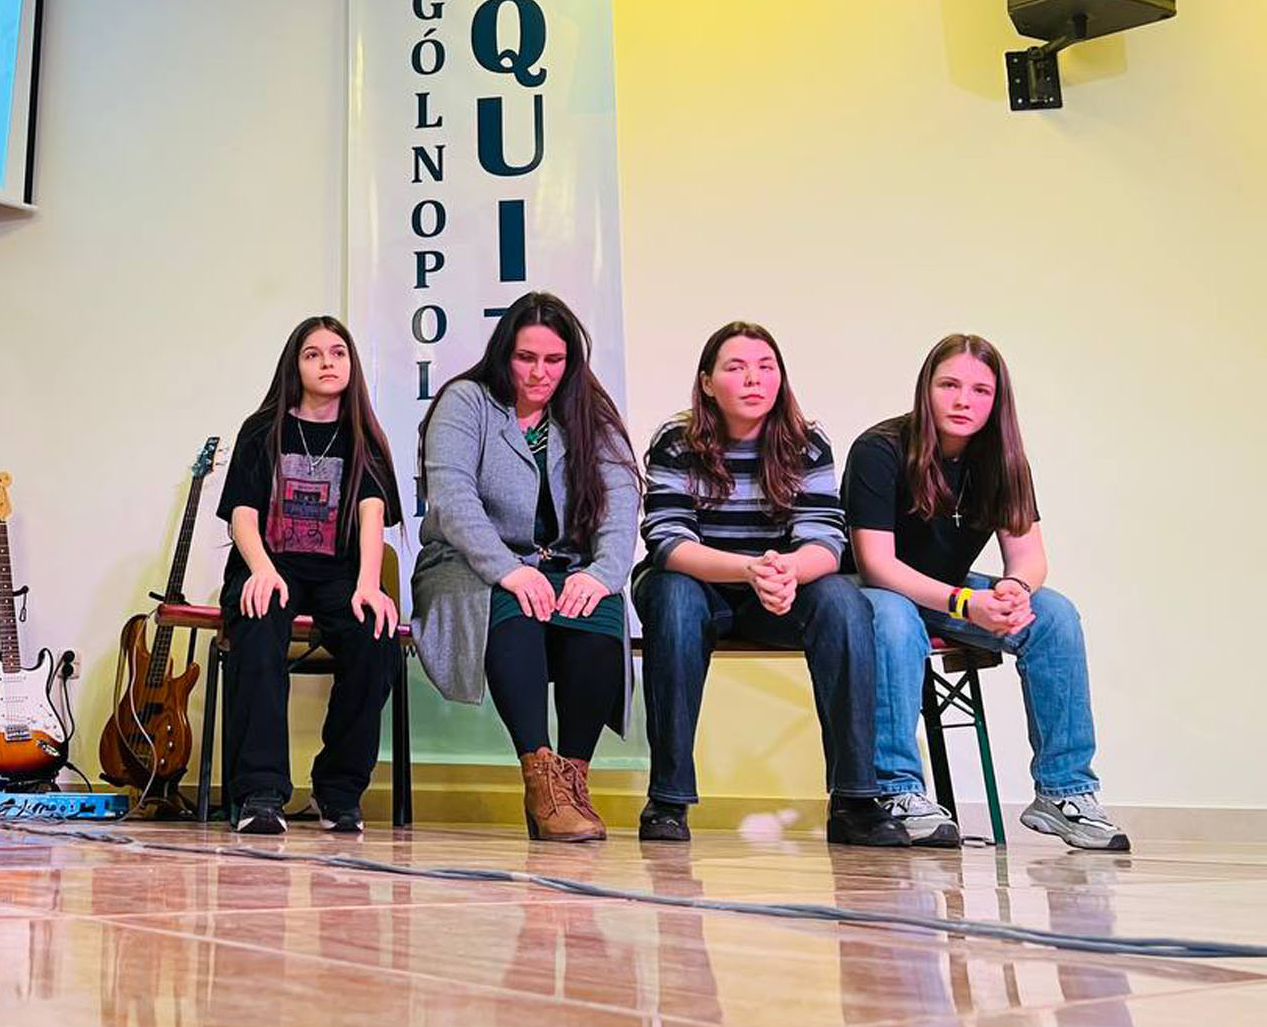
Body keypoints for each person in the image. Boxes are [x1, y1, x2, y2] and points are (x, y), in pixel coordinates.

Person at [846, 334, 1128, 851]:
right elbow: (876, 564)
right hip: (873, 591)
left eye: (980, 391)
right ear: (926, 389)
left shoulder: (1003, 460)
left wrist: (1015, 590)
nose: (963, 401)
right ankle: (897, 791)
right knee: (895, 618)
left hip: (950, 590)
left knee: (1053, 614)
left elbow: (1028, 555)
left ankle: (1064, 792)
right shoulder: (879, 449)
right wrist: (964, 604)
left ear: (997, 400)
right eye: (949, 386)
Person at [635, 321, 905, 847]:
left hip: (778, 590)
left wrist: (785, 573)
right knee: (672, 595)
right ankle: (667, 800)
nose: (753, 379)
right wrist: (750, 570)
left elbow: (824, 540)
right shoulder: (676, 442)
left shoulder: (807, 443)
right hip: (699, 585)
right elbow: (668, 541)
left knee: (844, 600)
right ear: (707, 382)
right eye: (736, 368)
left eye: (765, 367)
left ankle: (854, 800)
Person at [414, 292, 641, 842]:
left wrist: (603, 574)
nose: (540, 372)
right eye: (526, 358)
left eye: (554, 360)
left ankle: (572, 780)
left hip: (564, 563)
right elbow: (453, 498)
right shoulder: (465, 401)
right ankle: (540, 778)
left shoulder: (589, 411)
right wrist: (508, 569)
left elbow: (621, 500)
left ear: (571, 361)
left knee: (599, 617)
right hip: (469, 563)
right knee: (515, 608)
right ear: (504, 354)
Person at [215, 316, 402, 835]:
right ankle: (261, 792)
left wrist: (369, 586)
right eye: (313, 354)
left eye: (337, 353)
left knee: (375, 636)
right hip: (270, 563)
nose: (327, 363)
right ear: (294, 365)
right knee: (259, 621)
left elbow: (371, 515)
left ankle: (338, 790)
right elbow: (242, 516)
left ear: (351, 364)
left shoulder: (364, 437)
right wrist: (261, 570)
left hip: (339, 572)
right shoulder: (262, 429)